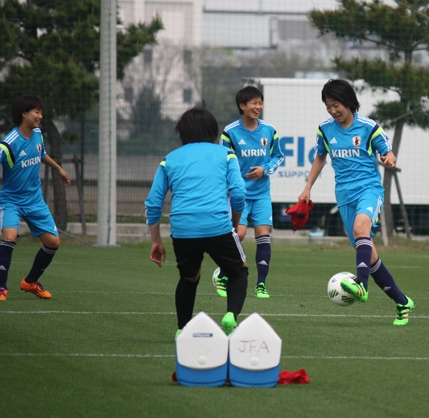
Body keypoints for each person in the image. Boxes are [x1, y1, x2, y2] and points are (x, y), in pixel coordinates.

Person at [298, 79, 414, 326]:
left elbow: (388, 151)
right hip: (344, 195)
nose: (333, 111)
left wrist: (389, 158)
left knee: (362, 229)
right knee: (368, 255)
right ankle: (402, 301)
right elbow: (320, 158)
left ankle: (361, 285)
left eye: (336, 105)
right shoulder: (325, 129)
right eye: (328, 106)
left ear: (349, 101)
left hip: (369, 189)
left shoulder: (368, 127)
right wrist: (307, 187)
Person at [144, 106, 248, 335]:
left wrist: (156, 241)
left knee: (189, 277)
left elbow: (153, 203)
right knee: (239, 270)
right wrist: (235, 221)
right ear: (212, 131)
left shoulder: (169, 159)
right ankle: (230, 315)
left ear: (182, 132)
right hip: (218, 225)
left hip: (183, 229)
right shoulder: (226, 154)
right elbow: (239, 193)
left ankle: (182, 330)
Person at [214, 86, 284, 299]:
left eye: (260, 103)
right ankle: (223, 274)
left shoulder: (269, 131)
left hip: (262, 193)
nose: (258, 107)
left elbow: (278, 156)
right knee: (239, 234)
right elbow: (222, 162)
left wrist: (265, 169)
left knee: (263, 236)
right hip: (238, 195)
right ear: (242, 106)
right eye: (253, 103)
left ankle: (261, 285)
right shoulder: (230, 132)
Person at [0, 95, 71, 301]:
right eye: (37, 112)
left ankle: (30, 282)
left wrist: (59, 169)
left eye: (41, 112)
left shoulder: (37, 134)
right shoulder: (9, 143)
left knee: (53, 242)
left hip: (35, 200)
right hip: (11, 201)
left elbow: (41, 154)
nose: (40, 116)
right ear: (24, 113)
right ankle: (1, 287)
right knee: (10, 237)